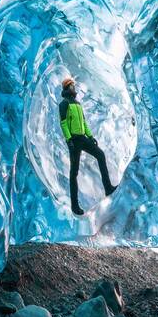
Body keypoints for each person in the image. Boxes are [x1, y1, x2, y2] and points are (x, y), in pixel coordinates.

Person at [59, 76, 117, 216]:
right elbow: (64, 123)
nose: (74, 87)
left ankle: (108, 187)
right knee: (74, 173)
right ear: (67, 88)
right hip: (74, 140)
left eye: (74, 85)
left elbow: (84, 123)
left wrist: (90, 136)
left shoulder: (77, 104)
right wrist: (68, 140)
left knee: (100, 155)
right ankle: (75, 206)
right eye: (71, 86)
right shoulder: (64, 104)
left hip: (82, 138)